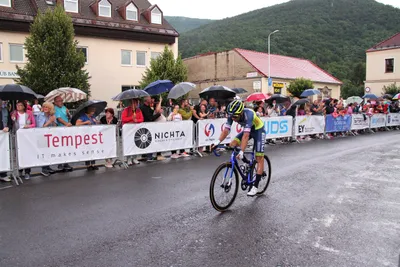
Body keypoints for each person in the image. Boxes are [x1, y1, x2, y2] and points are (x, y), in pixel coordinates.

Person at [211, 100, 266, 197]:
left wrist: (242, 151)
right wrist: (217, 142)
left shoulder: (249, 114)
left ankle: (255, 186)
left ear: (241, 113)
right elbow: (226, 130)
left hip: (258, 130)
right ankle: (247, 162)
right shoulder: (232, 114)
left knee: (259, 157)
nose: (233, 118)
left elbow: (245, 136)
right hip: (248, 130)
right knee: (232, 144)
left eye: (235, 117)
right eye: (231, 116)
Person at [11, 101, 36, 180]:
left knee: (27, 153)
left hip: (26, 136)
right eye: (17, 105)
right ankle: (20, 169)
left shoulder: (29, 113)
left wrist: (28, 126)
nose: (18, 107)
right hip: (17, 136)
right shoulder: (14, 113)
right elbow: (12, 123)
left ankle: (27, 172)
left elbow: (34, 124)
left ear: (24, 106)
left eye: (20, 105)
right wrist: (13, 118)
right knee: (18, 154)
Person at [36, 102, 57, 176]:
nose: (45, 108)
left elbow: (55, 126)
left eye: (47, 107)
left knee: (49, 152)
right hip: (42, 136)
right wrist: (49, 121)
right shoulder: (40, 115)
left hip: (50, 136)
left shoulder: (52, 115)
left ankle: (48, 166)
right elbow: (40, 127)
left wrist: (53, 121)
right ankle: (44, 169)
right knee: (44, 152)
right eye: (44, 107)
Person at [75, 107, 99, 171]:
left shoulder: (93, 117)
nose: (93, 112)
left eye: (94, 110)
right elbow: (77, 123)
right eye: (92, 110)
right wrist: (85, 122)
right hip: (85, 136)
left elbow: (95, 123)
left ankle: (93, 164)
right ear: (88, 110)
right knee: (87, 149)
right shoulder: (83, 116)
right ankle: (88, 165)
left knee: (93, 149)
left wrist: (97, 122)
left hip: (92, 136)